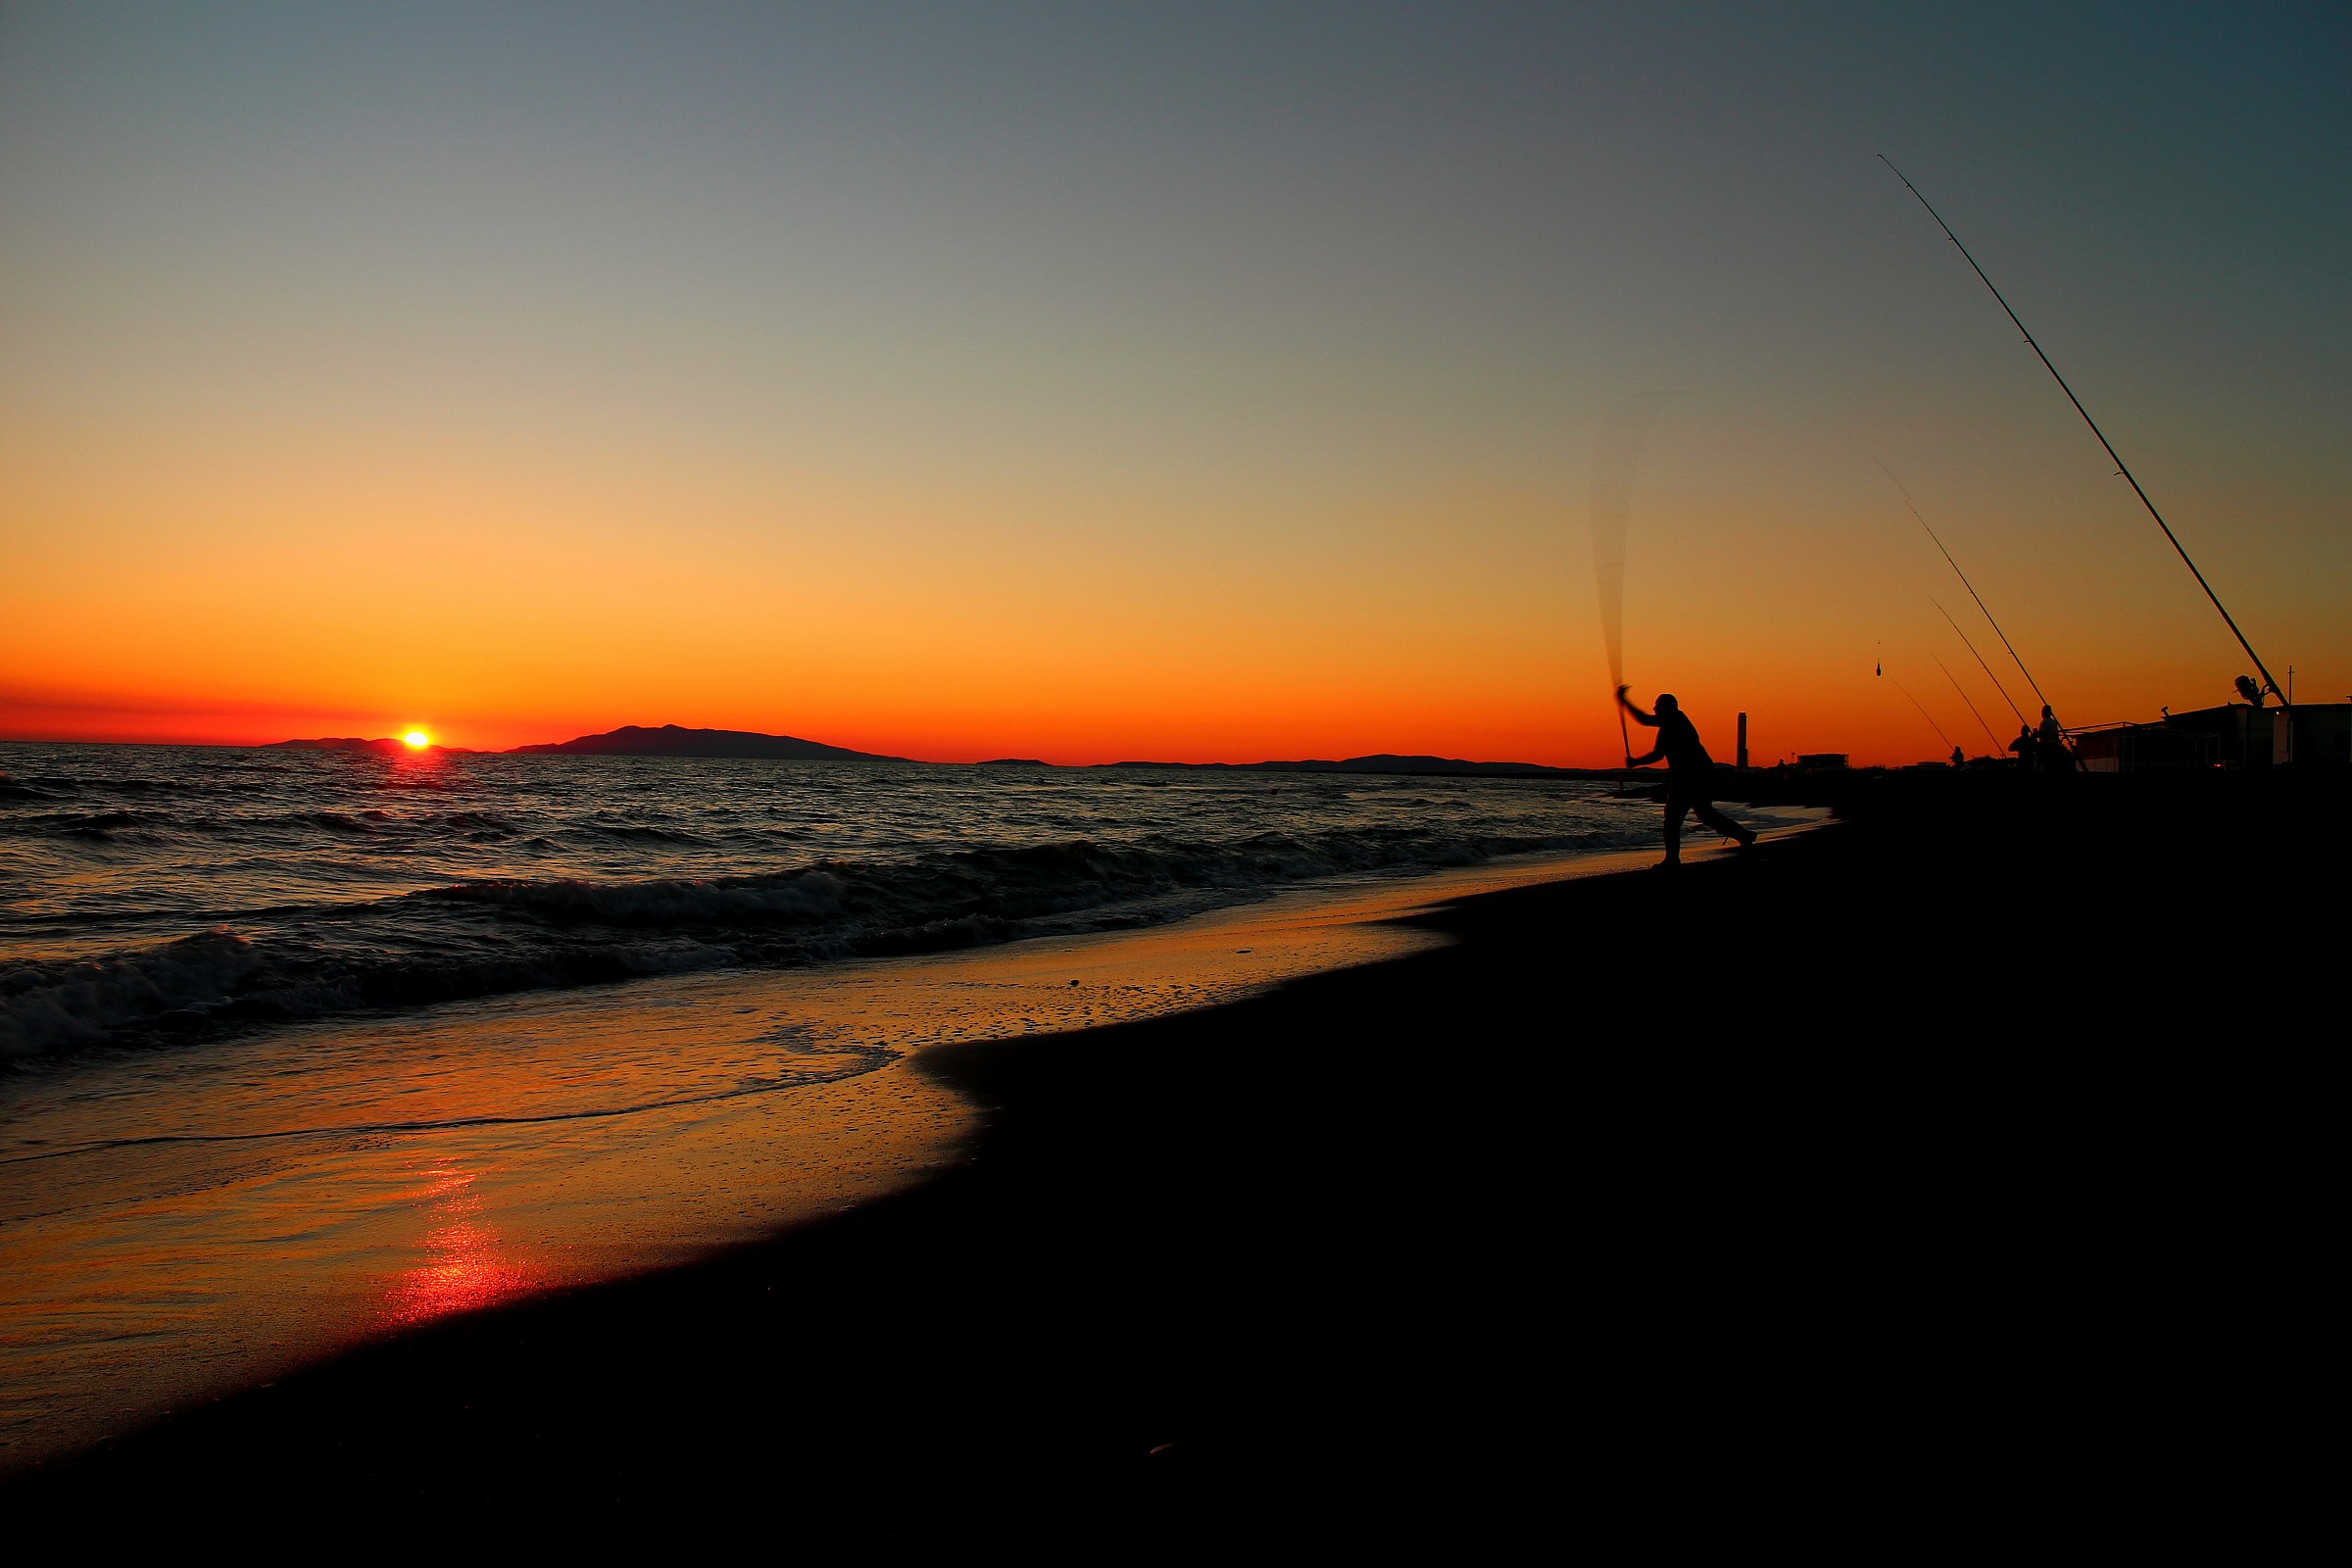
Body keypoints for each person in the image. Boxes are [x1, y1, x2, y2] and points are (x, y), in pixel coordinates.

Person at [1617, 686, 1757, 866]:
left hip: (1690, 776)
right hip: (1700, 774)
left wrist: (1625, 701)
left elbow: (1649, 734)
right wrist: (1636, 761)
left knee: (1673, 819)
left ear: (1667, 708)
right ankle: (1744, 835)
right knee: (1705, 814)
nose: (1654, 709)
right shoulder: (1674, 721)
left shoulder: (1673, 722)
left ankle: (1672, 859)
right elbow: (1656, 748)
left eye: (1657, 706)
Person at [2036, 705, 2069, 773]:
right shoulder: (2053, 722)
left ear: (2044, 712)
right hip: (2054, 747)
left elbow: (2043, 733)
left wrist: (2035, 734)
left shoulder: (2044, 722)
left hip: (2046, 747)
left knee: (2045, 766)